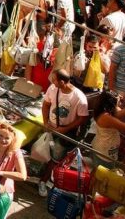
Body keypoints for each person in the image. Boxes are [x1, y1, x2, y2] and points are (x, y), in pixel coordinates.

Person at [39, 69, 90, 197]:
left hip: (65, 133)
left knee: (56, 158)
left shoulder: (79, 98)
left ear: (62, 82)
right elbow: (45, 105)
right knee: (46, 153)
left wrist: (65, 129)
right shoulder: (52, 88)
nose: (52, 82)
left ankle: (43, 181)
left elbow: (82, 118)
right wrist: (46, 123)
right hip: (51, 128)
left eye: (54, 79)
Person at [0, 124, 26, 219]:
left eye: (7, 138)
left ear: (12, 139)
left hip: (3, 190)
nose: (3, 140)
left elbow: (23, 176)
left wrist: (1, 173)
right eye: (0, 136)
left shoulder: (16, 152)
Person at [92, 92, 125, 164]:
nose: (121, 100)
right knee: (102, 172)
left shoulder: (105, 110)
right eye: (118, 101)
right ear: (111, 103)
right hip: (104, 152)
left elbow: (122, 114)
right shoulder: (106, 117)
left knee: (97, 170)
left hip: (103, 147)